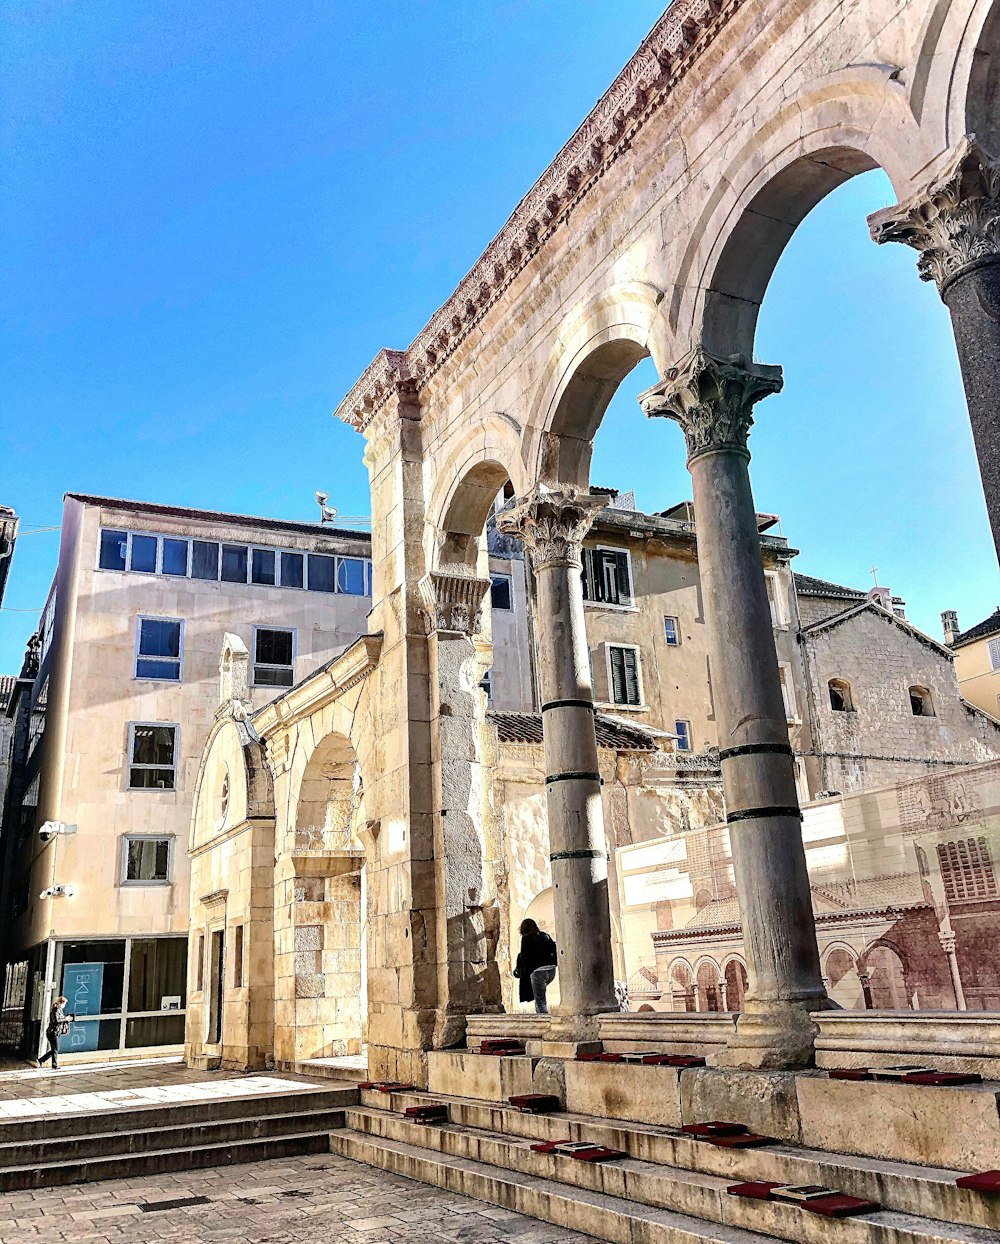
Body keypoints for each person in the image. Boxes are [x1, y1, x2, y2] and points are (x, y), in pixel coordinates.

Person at [513, 918, 557, 1014]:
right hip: (551, 971)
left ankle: (544, 1022)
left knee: (540, 1001)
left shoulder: (526, 939)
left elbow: (524, 957)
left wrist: (520, 965)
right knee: (539, 994)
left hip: (538, 972)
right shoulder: (545, 936)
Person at [33, 996, 74, 1069]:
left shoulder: (59, 1010)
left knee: (55, 1049)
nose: (64, 1006)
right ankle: (53, 1065)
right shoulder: (55, 1010)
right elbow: (56, 1020)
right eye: (64, 1004)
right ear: (60, 1003)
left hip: (56, 1032)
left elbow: (60, 1019)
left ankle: (41, 1060)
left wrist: (67, 1019)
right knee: (55, 1049)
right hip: (52, 1032)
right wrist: (65, 1019)